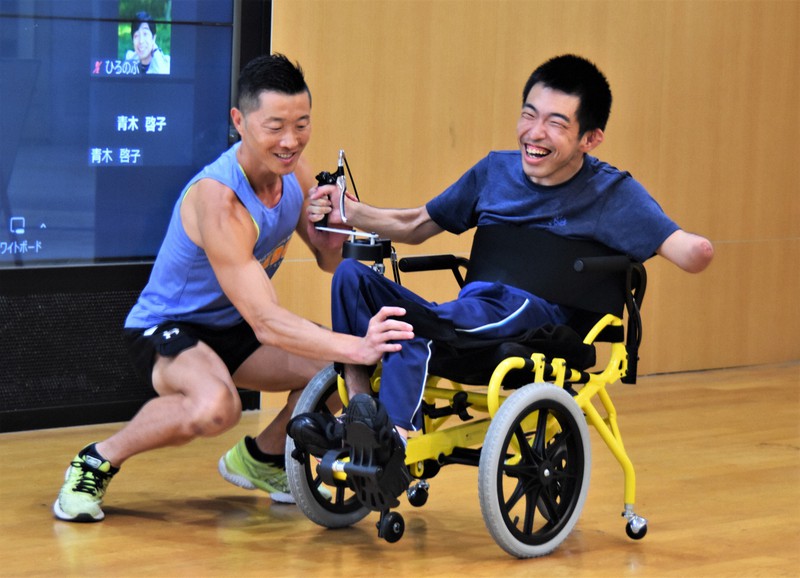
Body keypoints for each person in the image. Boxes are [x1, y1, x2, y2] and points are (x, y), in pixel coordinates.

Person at [53, 54, 413, 523]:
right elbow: (266, 322)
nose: (290, 141)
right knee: (216, 406)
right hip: (171, 329)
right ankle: (96, 460)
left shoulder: (294, 175)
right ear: (240, 122)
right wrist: (357, 344)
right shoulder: (219, 200)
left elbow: (328, 260)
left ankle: (263, 459)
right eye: (275, 127)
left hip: (234, 324)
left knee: (342, 374)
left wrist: (337, 225)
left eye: (302, 124)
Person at [304, 54, 714, 448]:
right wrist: (348, 210)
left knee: (423, 323)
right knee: (350, 275)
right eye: (528, 114)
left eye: (555, 123)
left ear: (590, 138)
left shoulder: (612, 193)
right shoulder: (494, 172)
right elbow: (416, 225)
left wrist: (697, 249)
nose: (534, 133)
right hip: (476, 306)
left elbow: (685, 249)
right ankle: (359, 410)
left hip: (535, 319)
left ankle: (394, 436)